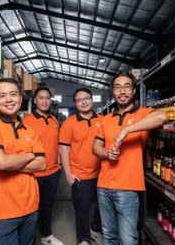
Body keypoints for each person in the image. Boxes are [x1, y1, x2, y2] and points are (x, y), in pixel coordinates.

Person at [92, 72, 168, 245]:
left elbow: (162, 116)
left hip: (128, 188)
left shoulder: (143, 113)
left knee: (127, 239)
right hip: (103, 186)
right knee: (109, 236)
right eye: (118, 87)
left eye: (127, 86)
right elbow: (95, 147)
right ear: (113, 92)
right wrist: (106, 153)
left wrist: (127, 129)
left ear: (134, 91)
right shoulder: (106, 119)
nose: (122, 91)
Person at [0, 78, 47, 245]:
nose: (9, 99)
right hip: (2, 211)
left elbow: (42, 164)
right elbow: (2, 162)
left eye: (13, 94)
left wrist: (9, 163)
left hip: (30, 207)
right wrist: (29, 155)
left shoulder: (29, 130)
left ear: (21, 99)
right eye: (2, 96)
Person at [58, 88, 104, 245]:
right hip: (80, 175)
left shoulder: (103, 120)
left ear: (92, 100)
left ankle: (96, 230)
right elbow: (63, 148)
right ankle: (83, 239)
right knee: (82, 210)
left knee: (101, 207)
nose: (84, 102)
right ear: (75, 103)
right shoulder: (69, 123)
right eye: (79, 100)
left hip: (102, 174)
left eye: (87, 98)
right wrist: (68, 174)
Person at [23, 87, 63, 245]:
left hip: (53, 172)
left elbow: (58, 143)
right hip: (35, 173)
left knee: (47, 205)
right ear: (35, 101)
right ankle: (29, 239)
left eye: (47, 98)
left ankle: (46, 235)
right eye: (41, 98)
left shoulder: (54, 121)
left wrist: (59, 163)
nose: (45, 101)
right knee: (31, 209)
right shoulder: (27, 121)